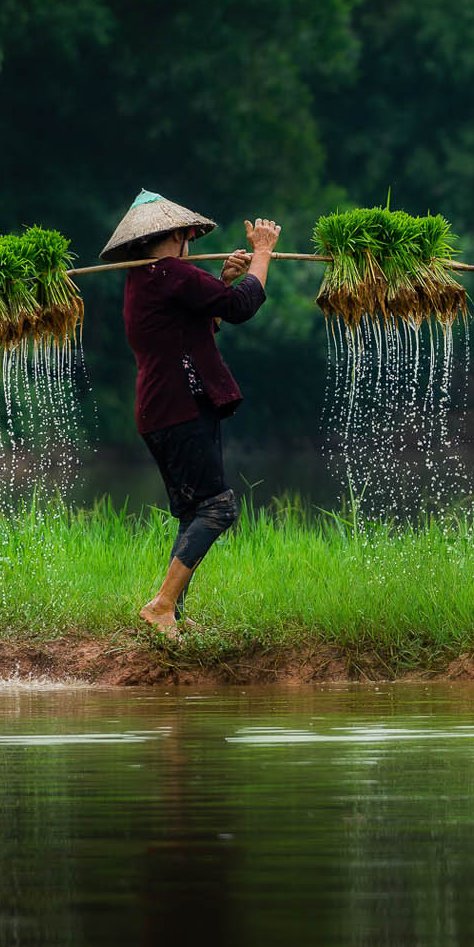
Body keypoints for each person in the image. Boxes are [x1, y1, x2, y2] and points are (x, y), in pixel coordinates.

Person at [99, 190, 282, 636]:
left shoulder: (146, 279)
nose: (190, 246)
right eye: (189, 239)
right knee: (218, 509)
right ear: (179, 234)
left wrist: (222, 279)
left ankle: (171, 614)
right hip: (180, 409)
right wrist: (262, 253)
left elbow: (203, 322)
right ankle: (161, 605)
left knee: (192, 512)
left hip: (160, 411)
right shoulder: (174, 274)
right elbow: (241, 308)